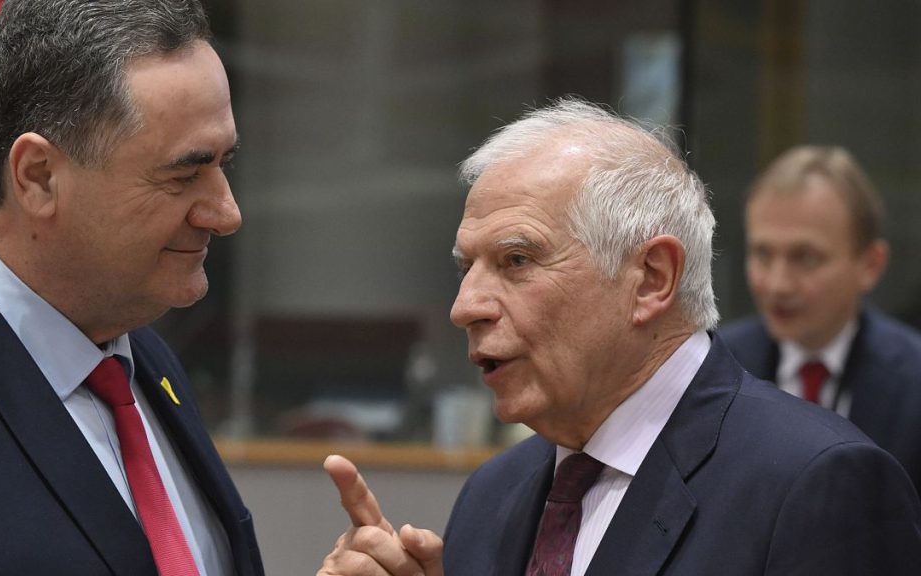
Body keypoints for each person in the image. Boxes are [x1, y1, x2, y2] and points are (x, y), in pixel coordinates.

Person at [317, 99, 921, 575]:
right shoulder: (491, 497)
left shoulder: (816, 485)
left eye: (517, 260)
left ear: (651, 279)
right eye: (464, 269)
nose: (464, 307)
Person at [0, 1, 264, 574]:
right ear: (38, 176)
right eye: (184, 175)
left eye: (225, 166)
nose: (226, 213)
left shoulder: (134, 355)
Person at [718, 145, 921, 490]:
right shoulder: (716, 365)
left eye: (805, 258)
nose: (778, 285)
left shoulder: (914, 382)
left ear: (870, 265)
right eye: (763, 254)